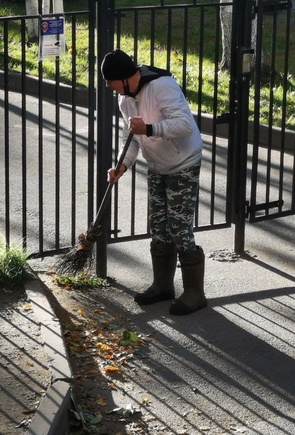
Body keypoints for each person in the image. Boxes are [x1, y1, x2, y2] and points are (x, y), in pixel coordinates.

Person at [101, 48, 206, 316]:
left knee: (180, 225)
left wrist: (149, 128)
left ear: (124, 77)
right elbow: (135, 140)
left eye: (111, 83)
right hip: (158, 166)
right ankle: (163, 286)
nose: (111, 89)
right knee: (158, 224)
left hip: (183, 163)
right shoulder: (126, 100)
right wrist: (122, 166)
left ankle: (195, 293)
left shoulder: (162, 86)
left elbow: (184, 125)